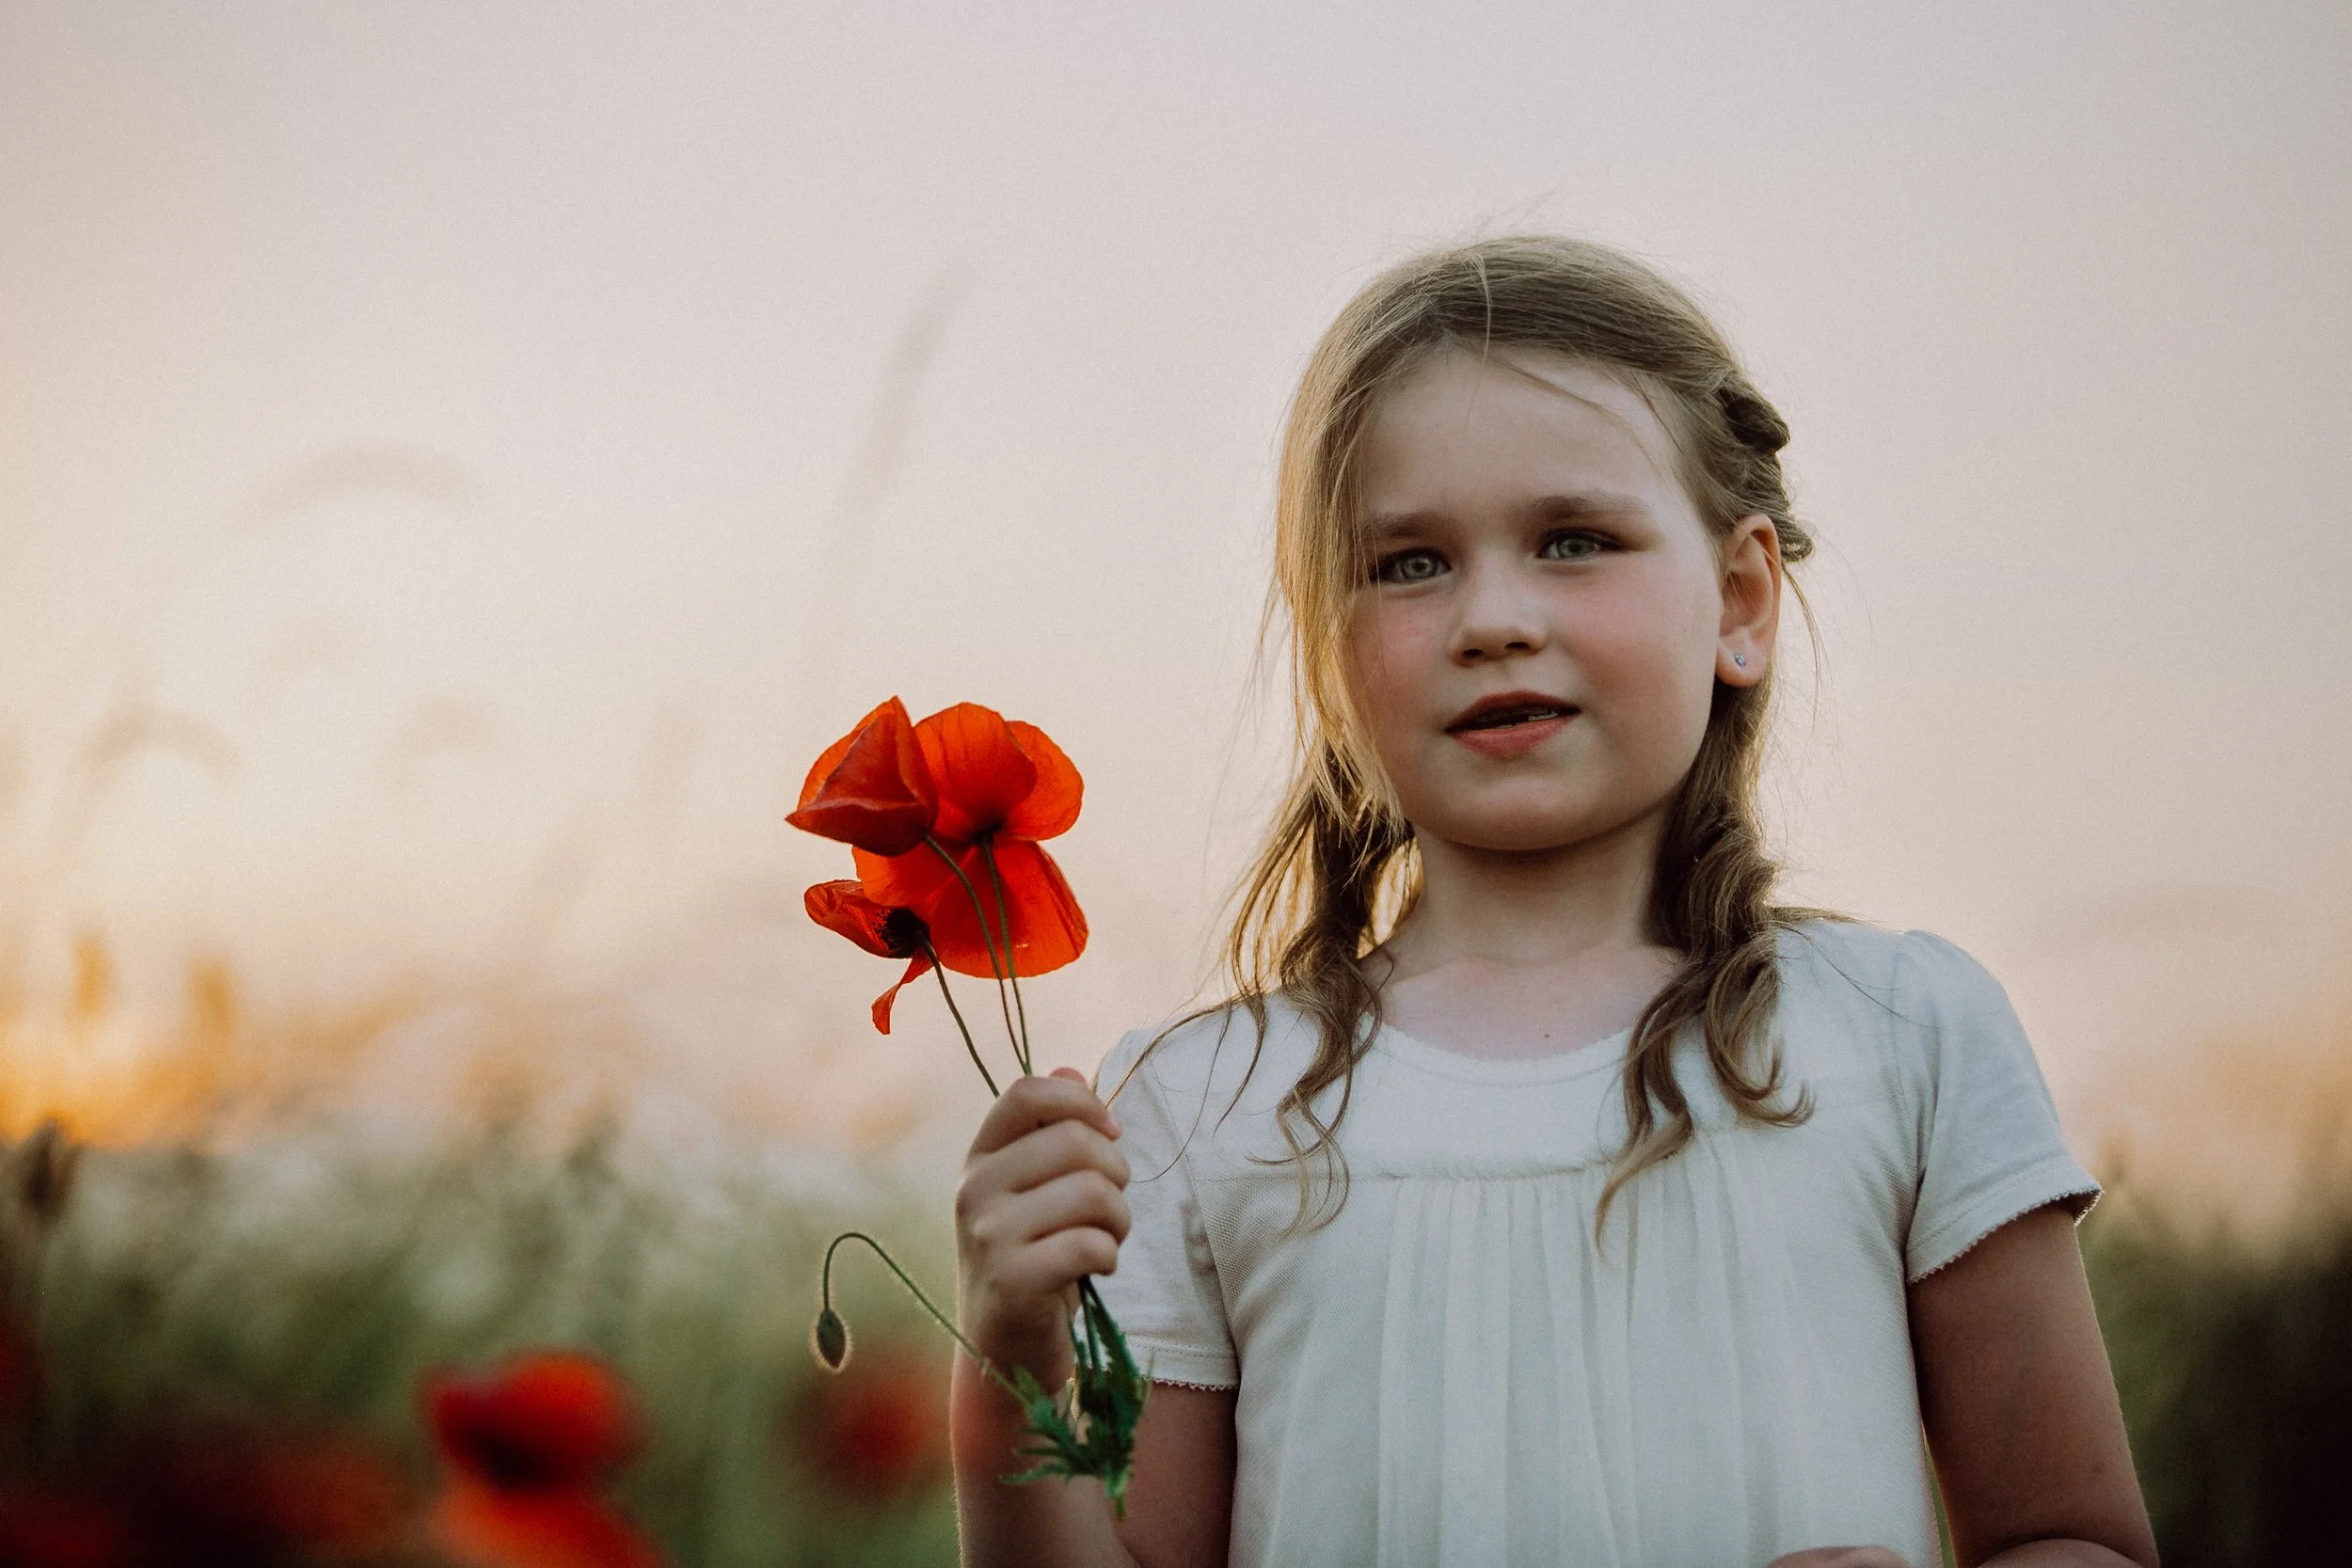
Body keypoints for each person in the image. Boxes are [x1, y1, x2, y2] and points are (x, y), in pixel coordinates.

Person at [946, 236, 2158, 1568]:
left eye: (1574, 540)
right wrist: (1009, 1358)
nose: (1495, 617)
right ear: (1330, 651)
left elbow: (2072, 1534)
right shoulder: (1197, 1109)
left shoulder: (1906, 1033)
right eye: (1409, 563)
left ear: (1740, 599)